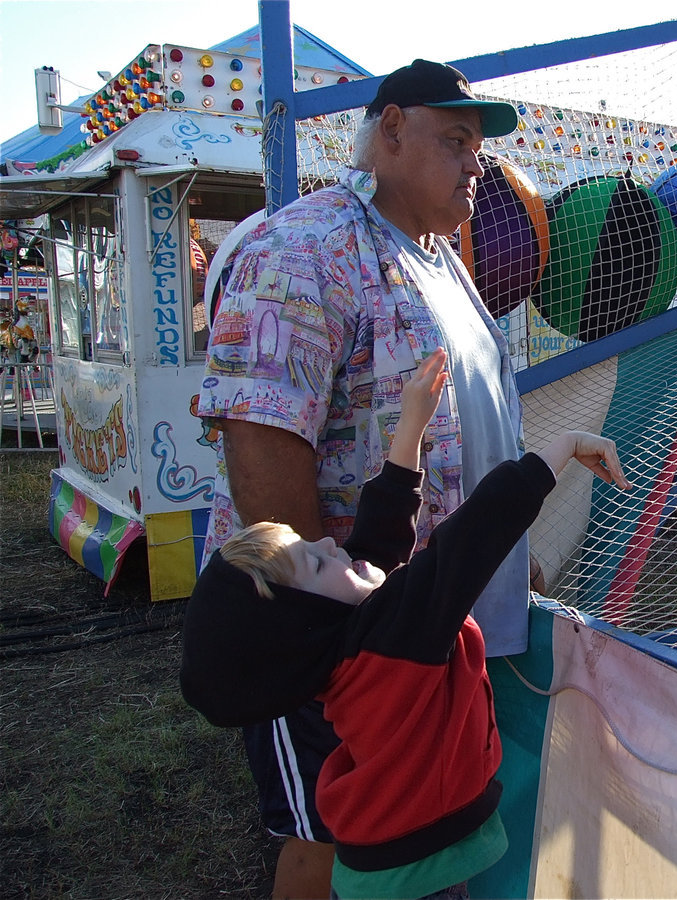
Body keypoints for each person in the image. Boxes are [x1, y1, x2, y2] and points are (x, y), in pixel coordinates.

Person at [195, 59, 533, 897]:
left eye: (480, 152)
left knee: (409, 850)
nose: (473, 165)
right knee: (327, 837)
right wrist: (336, 652)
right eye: (454, 139)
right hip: (341, 650)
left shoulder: (438, 258)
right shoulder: (302, 249)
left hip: (422, 639)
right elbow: (263, 446)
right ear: (389, 131)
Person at [182, 349, 630, 899]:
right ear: (308, 623)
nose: (328, 541)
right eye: (316, 561)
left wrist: (411, 426)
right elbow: (474, 536)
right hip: (421, 873)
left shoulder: (347, 647)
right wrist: (561, 446)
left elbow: (377, 542)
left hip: (385, 859)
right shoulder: (395, 640)